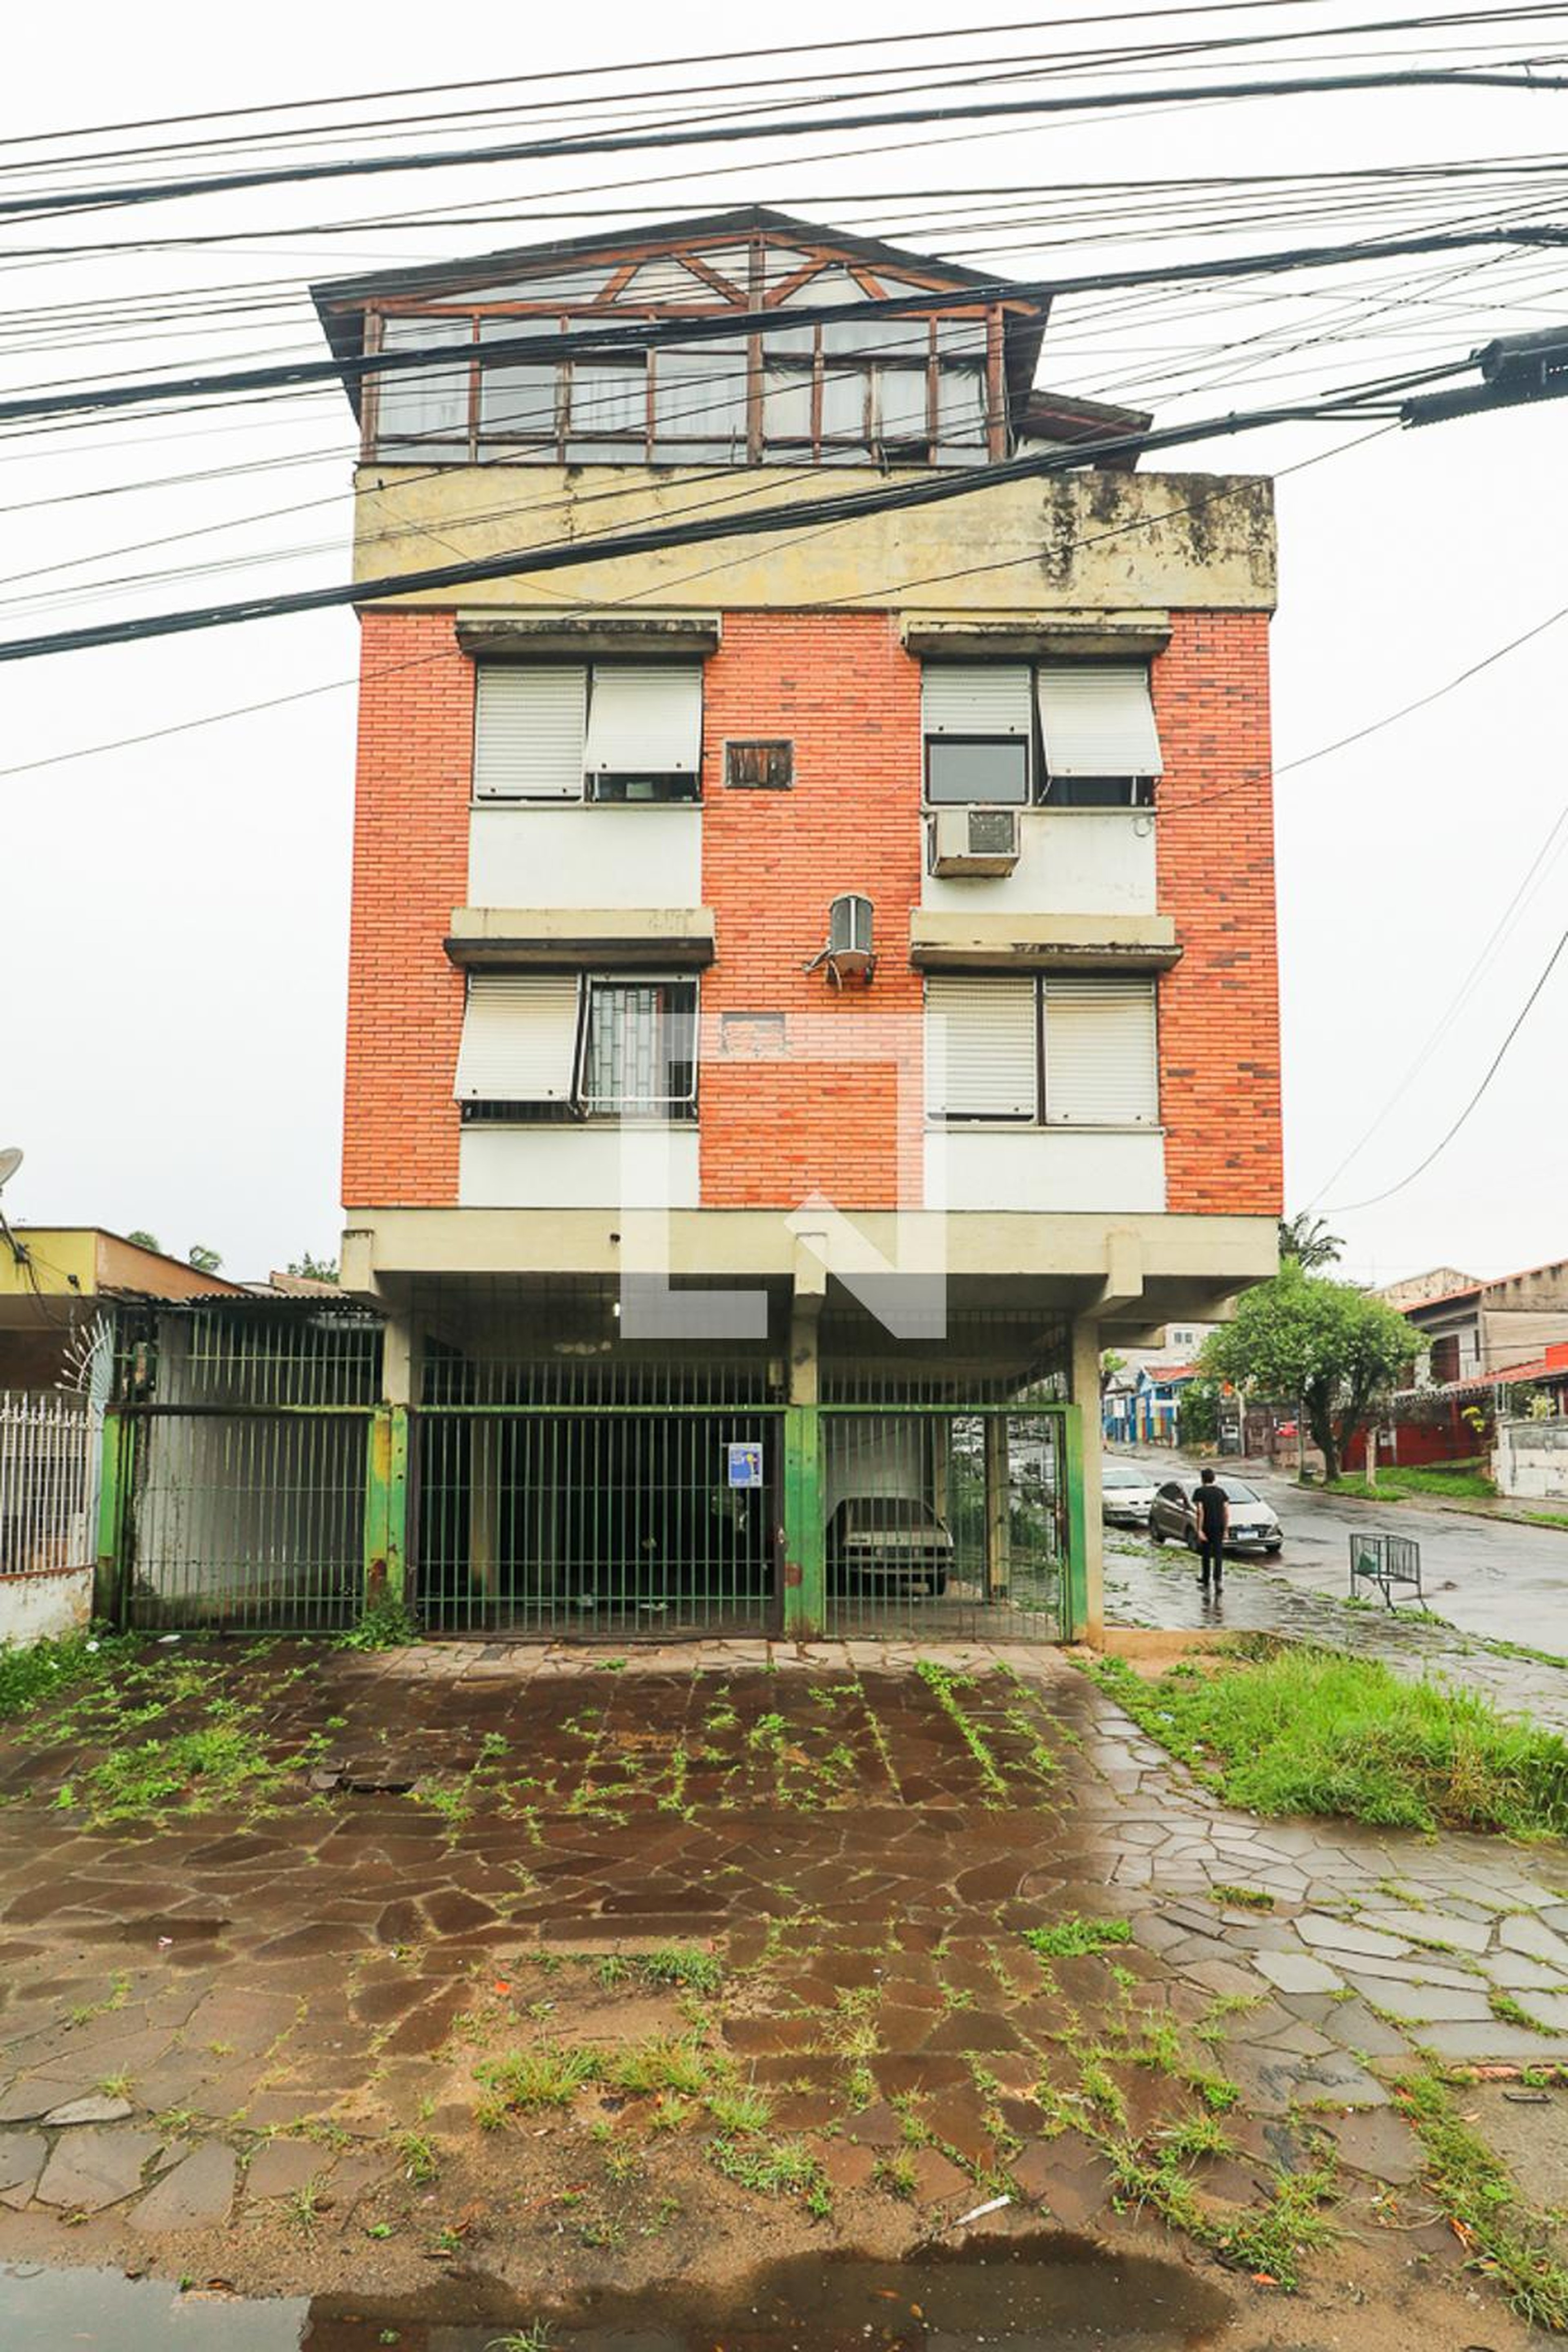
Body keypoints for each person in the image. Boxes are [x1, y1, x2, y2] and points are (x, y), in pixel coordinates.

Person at [1191, 1468, 1228, 1597]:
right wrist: (1226, 1529)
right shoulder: (1221, 1492)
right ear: (1214, 1478)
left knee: (1206, 1554)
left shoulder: (1200, 1492)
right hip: (1219, 1526)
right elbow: (1226, 1512)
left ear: (1202, 1479)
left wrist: (1200, 1530)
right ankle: (1218, 1581)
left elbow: (1200, 1511)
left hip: (1207, 1526)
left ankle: (1206, 1580)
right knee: (1218, 1555)